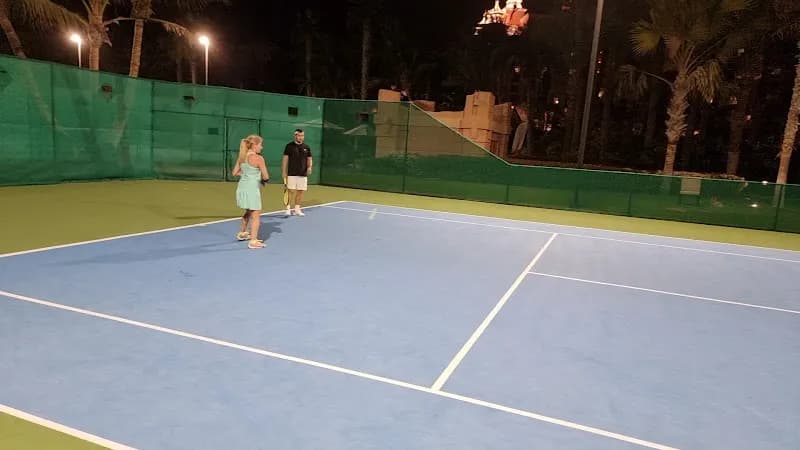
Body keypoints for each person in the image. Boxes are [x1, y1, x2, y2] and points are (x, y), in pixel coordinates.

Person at [232, 134, 269, 249]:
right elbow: (266, 176)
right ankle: (253, 241)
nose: (261, 147)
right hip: (252, 189)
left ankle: (242, 233)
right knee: (256, 214)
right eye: (260, 145)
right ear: (254, 145)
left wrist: (247, 175)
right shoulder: (259, 158)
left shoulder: (242, 156)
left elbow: (235, 173)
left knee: (248, 211)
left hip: (242, 188)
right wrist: (262, 180)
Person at [282, 129, 313, 216]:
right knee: (290, 191)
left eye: (302, 135)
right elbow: (285, 160)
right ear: (295, 136)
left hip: (303, 174)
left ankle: (297, 209)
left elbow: (309, 158)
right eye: (299, 135)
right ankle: (288, 209)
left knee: (300, 192)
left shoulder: (307, 147)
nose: (301, 137)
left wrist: (309, 167)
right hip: (291, 173)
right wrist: (284, 171)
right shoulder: (289, 146)